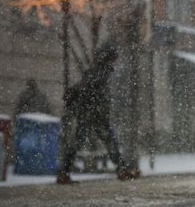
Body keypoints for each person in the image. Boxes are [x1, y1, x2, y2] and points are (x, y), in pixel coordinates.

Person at [56, 43, 137, 184]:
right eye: (114, 57)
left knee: (86, 142)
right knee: (105, 141)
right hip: (94, 114)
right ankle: (122, 170)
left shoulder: (97, 71)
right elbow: (88, 91)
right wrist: (94, 108)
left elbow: (87, 89)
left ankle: (64, 173)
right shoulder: (100, 72)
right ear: (109, 57)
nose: (116, 60)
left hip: (92, 113)